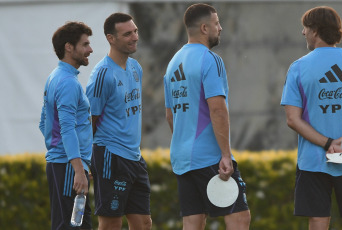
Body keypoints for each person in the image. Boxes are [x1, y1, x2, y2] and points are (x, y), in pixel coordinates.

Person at [163, 3, 251, 229]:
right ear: (204, 28)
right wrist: (225, 155)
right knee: (239, 217)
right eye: (216, 23)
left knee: (193, 222)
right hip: (209, 156)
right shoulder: (210, 59)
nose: (220, 28)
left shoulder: (173, 64)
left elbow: (170, 115)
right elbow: (218, 110)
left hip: (182, 158)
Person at [86, 13, 152, 230]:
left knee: (143, 223)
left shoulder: (135, 68)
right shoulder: (102, 75)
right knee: (110, 223)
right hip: (110, 156)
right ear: (111, 38)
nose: (134, 37)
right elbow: (89, 121)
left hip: (134, 157)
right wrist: (86, 162)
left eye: (135, 31)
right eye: (127, 34)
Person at [281, 6, 342, 230]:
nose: (303, 33)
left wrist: (330, 144)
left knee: (318, 221)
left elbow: (292, 119)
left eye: (305, 28)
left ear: (315, 31)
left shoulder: (298, 67)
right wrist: (341, 142)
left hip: (314, 161)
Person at [39, 21, 93, 230]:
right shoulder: (68, 83)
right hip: (68, 168)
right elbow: (66, 128)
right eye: (85, 44)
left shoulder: (55, 77)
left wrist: (71, 160)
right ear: (69, 47)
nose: (90, 49)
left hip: (62, 165)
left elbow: (45, 123)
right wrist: (78, 169)